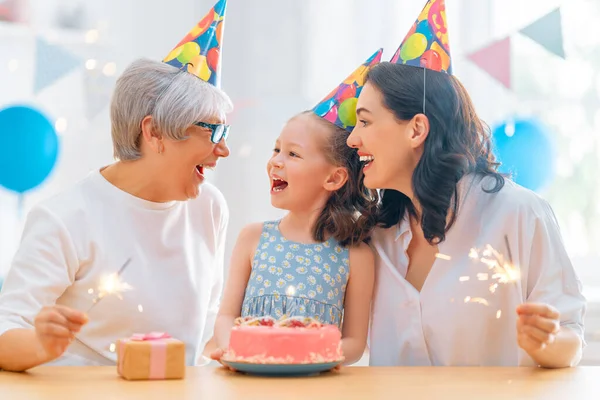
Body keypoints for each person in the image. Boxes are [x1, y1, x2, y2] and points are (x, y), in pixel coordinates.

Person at [347, 0, 586, 368]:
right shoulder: (376, 235)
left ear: (416, 129)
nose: (352, 140)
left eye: (365, 122)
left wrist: (548, 341)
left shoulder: (519, 214)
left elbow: (570, 336)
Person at [0, 0, 233, 371]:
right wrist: (40, 344)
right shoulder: (65, 218)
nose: (224, 149)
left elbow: (207, 323)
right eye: (212, 131)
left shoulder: (210, 207)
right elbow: (5, 331)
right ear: (154, 131)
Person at [211, 50, 383, 365]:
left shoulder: (356, 256)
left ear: (334, 177)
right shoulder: (252, 238)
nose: (275, 160)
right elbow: (225, 317)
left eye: (293, 154)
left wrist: (299, 355)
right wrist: (233, 347)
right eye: (277, 149)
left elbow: (355, 342)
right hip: (249, 379)